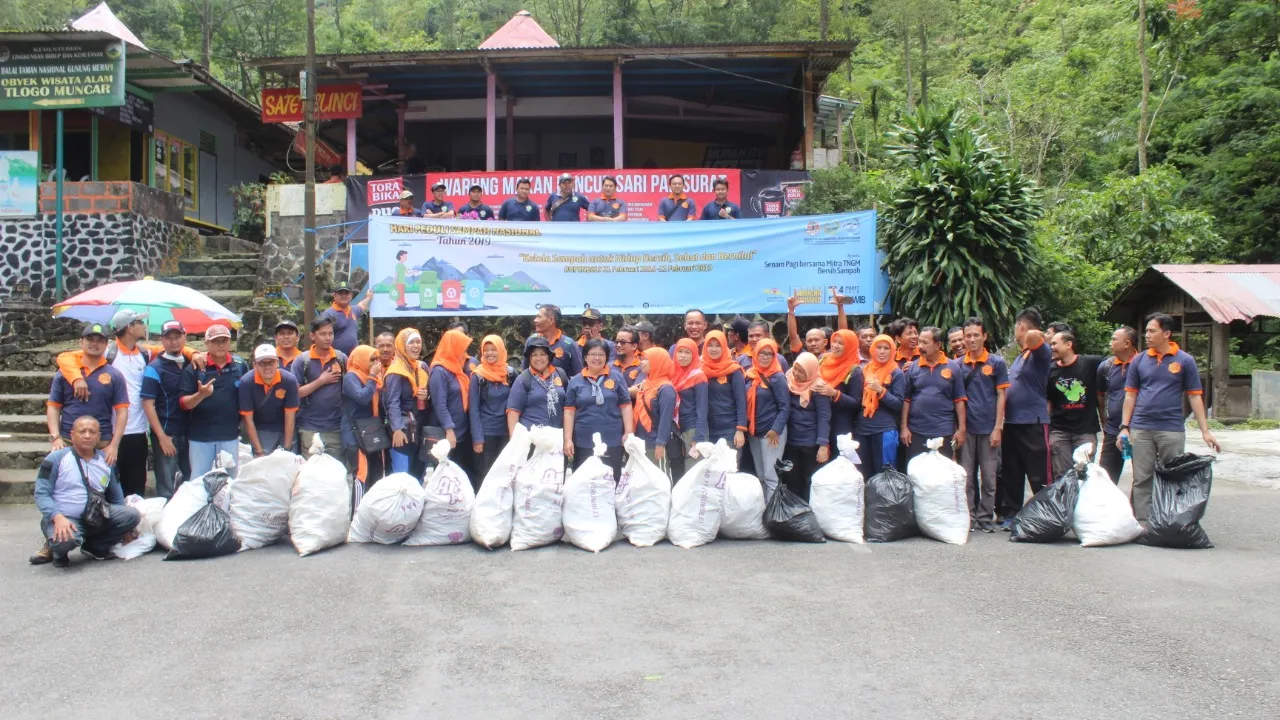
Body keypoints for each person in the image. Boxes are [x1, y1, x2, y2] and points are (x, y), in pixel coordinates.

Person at [1119, 312, 1221, 523]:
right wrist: (1124, 427)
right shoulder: (1139, 360)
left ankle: (1170, 521)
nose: (1146, 335)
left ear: (1166, 333)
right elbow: (1130, 395)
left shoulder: (1185, 361)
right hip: (1141, 427)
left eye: (1152, 331)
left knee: (1173, 477)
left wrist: (1205, 431)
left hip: (1171, 429)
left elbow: (1195, 397)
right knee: (1142, 478)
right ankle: (1144, 523)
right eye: (1146, 331)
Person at [32, 416, 141, 567]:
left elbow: (117, 498)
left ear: (98, 436)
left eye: (92, 432)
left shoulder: (106, 461)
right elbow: (41, 494)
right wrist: (57, 517)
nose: (87, 435)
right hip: (65, 518)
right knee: (64, 542)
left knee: (131, 515)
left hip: (95, 517)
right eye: (82, 431)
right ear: (72, 435)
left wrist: (126, 531)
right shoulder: (56, 458)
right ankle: (58, 551)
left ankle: (94, 546)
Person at [997, 308, 1053, 528]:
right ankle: (1011, 514)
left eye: (1016, 326)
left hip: (1033, 422)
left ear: (1020, 325)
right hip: (1012, 422)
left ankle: (1046, 516)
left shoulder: (1040, 351)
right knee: (1012, 471)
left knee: (1039, 474)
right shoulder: (1022, 355)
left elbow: (1034, 337)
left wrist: (1037, 332)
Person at [46, 321, 129, 467]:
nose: (94, 344)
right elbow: (53, 407)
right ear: (81, 342)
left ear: (106, 345)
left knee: (103, 488)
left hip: (102, 444)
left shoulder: (114, 375)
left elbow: (122, 412)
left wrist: (114, 445)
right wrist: (55, 438)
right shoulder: (65, 373)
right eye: (90, 339)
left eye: (100, 341)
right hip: (67, 441)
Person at [957, 317, 1008, 532]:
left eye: (976, 335)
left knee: (989, 477)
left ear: (984, 336)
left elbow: (1001, 396)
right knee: (966, 477)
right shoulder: (958, 365)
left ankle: (985, 517)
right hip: (966, 430)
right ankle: (969, 516)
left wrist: (998, 427)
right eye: (968, 336)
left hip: (989, 429)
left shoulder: (996, 363)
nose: (972, 339)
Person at [180, 324, 247, 479]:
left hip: (230, 435)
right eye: (216, 341)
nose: (220, 345)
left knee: (230, 480)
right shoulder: (195, 368)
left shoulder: (240, 365)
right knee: (199, 480)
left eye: (224, 340)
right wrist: (201, 395)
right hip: (201, 437)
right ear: (206, 344)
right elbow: (183, 403)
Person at [564, 338, 634, 481]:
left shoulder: (616, 377)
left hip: (612, 438)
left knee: (612, 478)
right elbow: (569, 411)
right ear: (585, 357)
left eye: (601, 354)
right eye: (592, 354)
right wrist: (568, 439)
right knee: (584, 480)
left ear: (607, 358)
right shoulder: (575, 381)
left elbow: (626, 406)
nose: (597, 358)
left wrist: (628, 432)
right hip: (584, 439)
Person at [901, 327, 967, 462]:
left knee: (942, 476)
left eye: (925, 343)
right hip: (916, 431)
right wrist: (904, 427)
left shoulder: (953, 367)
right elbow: (906, 400)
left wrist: (961, 429)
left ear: (937, 345)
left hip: (944, 431)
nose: (920, 346)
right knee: (917, 474)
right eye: (919, 342)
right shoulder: (912, 367)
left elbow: (959, 400)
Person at [141, 320, 191, 499]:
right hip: (167, 432)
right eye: (168, 338)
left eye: (177, 337)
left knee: (191, 482)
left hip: (192, 432)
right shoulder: (154, 368)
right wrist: (161, 437)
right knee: (166, 486)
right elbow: (148, 404)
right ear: (162, 340)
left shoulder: (191, 363)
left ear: (185, 337)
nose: (173, 341)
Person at [1047, 330, 1106, 478]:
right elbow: (1048, 401)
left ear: (1068, 344)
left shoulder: (1090, 363)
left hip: (1085, 431)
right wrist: (1047, 430)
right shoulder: (1050, 370)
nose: (1051, 347)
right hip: (1059, 432)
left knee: (1084, 474)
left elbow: (1116, 362)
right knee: (1062, 476)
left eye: (1054, 343)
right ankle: (1065, 502)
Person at [290, 317, 348, 464]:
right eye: (323, 334)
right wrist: (321, 381)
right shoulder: (302, 361)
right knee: (311, 472)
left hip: (336, 426)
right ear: (312, 336)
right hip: (309, 426)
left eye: (331, 333)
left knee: (334, 471)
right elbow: (295, 394)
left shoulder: (341, 359)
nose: (328, 338)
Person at [781, 353, 831, 501]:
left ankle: (809, 515)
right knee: (792, 480)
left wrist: (823, 445)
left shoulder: (818, 387)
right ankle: (796, 515)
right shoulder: (788, 380)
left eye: (800, 371)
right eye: (795, 368)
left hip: (810, 443)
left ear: (810, 372)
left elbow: (824, 417)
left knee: (810, 480)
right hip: (791, 441)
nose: (795, 373)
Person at [427, 328, 475, 480]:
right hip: (447, 434)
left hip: (462, 431)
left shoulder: (457, 370)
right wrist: (449, 430)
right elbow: (439, 404)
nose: (464, 353)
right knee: (446, 478)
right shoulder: (439, 371)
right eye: (462, 348)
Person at [853, 334, 906, 471]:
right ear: (872, 350)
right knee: (862, 472)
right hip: (862, 429)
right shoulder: (864, 371)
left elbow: (898, 404)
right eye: (879, 347)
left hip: (884, 430)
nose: (882, 352)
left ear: (892, 350)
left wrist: (880, 391)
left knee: (884, 473)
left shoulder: (896, 373)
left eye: (886, 348)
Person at [744, 338, 789, 498]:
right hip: (755, 433)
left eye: (770, 354)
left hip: (771, 434)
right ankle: (764, 513)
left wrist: (775, 430)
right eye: (762, 353)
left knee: (771, 477)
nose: (765, 357)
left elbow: (785, 407)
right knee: (761, 476)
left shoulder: (778, 378)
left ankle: (772, 518)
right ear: (755, 354)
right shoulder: (750, 375)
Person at [239, 344, 300, 457]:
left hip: (284, 428)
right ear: (254, 365)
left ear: (277, 362)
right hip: (260, 429)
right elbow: (248, 419)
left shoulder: (289, 380)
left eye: (271, 362)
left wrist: (287, 448)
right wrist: (259, 451)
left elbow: (290, 415)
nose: (267, 367)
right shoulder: (246, 382)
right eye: (262, 363)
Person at [383, 328, 430, 475]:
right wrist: (396, 429)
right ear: (402, 345)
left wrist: (427, 396)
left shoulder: (419, 368)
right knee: (402, 476)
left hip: (419, 429)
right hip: (403, 431)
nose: (416, 346)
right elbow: (392, 403)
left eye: (418, 342)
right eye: (411, 343)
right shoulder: (396, 371)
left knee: (418, 474)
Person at [470, 335, 517, 479]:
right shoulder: (478, 376)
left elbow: (517, 403)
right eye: (486, 350)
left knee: (505, 473)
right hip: (487, 433)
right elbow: (473, 409)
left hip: (506, 432)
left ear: (501, 350)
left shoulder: (510, 373)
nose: (489, 353)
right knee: (486, 474)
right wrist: (477, 438)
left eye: (493, 349)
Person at [1096, 326, 1138, 484]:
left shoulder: (1143, 364)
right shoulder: (1106, 367)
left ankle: (1137, 509)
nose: (1110, 343)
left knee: (1142, 478)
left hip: (1140, 429)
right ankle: (1105, 509)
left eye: (1114, 339)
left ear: (1127, 343)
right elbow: (1100, 395)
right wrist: (1104, 421)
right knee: (1105, 478)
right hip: (1113, 430)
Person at [343, 345, 384, 497]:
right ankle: (356, 516)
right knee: (362, 474)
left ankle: (370, 514)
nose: (375, 363)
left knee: (376, 473)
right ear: (361, 359)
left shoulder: (373, 377)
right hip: (355, 433)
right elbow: (362, 397)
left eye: (376, 359)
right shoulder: (351, 377)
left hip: (370, 431)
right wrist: (372, 377)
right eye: (371, 359)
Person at [507, 336, 568, 431]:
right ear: (529, 358)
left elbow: (569, 406)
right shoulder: (523, 379)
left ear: (549, 356)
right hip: (533, 438)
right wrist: (515, 441)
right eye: (534, 355)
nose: (538, 358)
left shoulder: (560, 374)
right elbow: (513, 412)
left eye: (542, 354)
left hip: (557, 437)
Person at [814, 329, 862, 446]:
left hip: (841, 425)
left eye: (841, 343)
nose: (835, 346)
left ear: (850, 347)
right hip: (818, 419)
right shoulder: (823, 359)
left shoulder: (854, 371)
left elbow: (856, 403)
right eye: (834, 341)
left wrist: (835, 394)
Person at [701, 330, 748, 452]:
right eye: (710, 345)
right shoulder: (701, 369)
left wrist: (740, 429)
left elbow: (741, 401)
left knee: (729, 469)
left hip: (730, 430)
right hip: (709, 430)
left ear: (724, 347)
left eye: (718, 345)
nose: (713, 349)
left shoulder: (733, 370)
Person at [669, 338, 709, 479]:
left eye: (688, 352)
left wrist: (699, 436)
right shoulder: (672, 375)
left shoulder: (699, 376)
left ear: (694, 355)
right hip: (676, 429)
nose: (683, 356)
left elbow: (702, 409)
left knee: (692, 473)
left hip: (692, 428)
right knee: (678, 472)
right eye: (680, 352)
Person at [633, 347, 677, 473]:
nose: (642, 362)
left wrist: (660, 444)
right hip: (641, 441)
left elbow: (665, 419)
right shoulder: (646, 383)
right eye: (642, 359)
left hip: (654, 442)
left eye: (646, 360)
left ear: (658, 362)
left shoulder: (666, 389)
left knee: (659, 479)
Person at [528, 304, 583, 377]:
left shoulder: (569, 344)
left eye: (539, 317)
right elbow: (525, 372)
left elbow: (578, 375)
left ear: (551, 320)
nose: (535, 320)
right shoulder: (531, 341)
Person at [321, 281, 370, 357]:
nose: (344, 295)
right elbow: (321, 337)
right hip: (335, 358)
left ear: (351, 295)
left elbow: (362, 306)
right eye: (340, 293)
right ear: (335, 296)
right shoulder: (328, 314)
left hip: (353, 357)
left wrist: (369, 297)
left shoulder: (353, 310)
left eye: (346, 293)